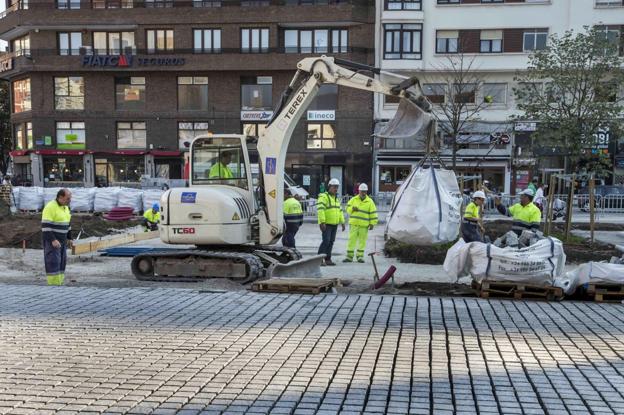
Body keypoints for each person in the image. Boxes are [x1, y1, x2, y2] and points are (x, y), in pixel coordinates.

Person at [41, 188, 73, 286]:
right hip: (53, 242)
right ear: (60, 197)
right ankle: (53, 286)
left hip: (62, 241)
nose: (70, 200)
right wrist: (53, 240)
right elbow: (45, 226)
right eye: (68, 198)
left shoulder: (66, 207)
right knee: (53, 262)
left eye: (70, 198)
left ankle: (59, 284)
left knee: (61, 263)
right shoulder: (50, 207)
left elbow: (68, 224)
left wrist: (69, 238)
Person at [344, 183, 378, 263]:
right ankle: (349, 256)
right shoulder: (353, 199)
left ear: (367, 192)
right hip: (354, 224)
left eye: (365, 192)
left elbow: (373, 213)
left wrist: (372, 223)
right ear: (359, 191)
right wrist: (352, 208)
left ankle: (360, 256)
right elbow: (347, 208)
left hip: (364, 225)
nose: (363, 193)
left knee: (362, 241)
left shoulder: (370, 202)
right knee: (351, 240)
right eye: (362, 191)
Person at [317, 178, 345, 266]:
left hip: (334, 224)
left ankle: (328, 259)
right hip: (327, 224)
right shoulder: (323, 197)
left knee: (331, 241)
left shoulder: (336, 199)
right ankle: (319, 259)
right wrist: (322, 222)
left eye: (337, 187)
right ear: (329, 187)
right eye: (334, 187)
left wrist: (342, 222)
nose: (336, 189)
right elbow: (320, 210)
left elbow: (340, 211)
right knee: (326, 241)